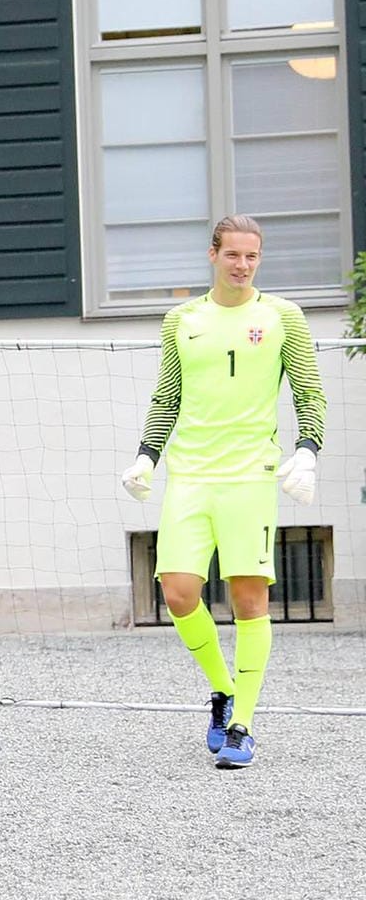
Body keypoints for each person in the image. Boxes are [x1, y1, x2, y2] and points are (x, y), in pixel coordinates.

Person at [120, 214, 324, 769]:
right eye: (232, 255)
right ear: (212, 254)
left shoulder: (284, 316)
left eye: (252, 257)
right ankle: (222, 688)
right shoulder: (181, 319)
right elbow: (168, 396)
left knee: (248, 599)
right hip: (190, 474)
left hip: (251, 476)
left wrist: (307, 452)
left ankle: (242, 726)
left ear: (259, 259)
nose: (242, 266)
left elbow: (310, 393)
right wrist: (146, 456)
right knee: (180, 591)